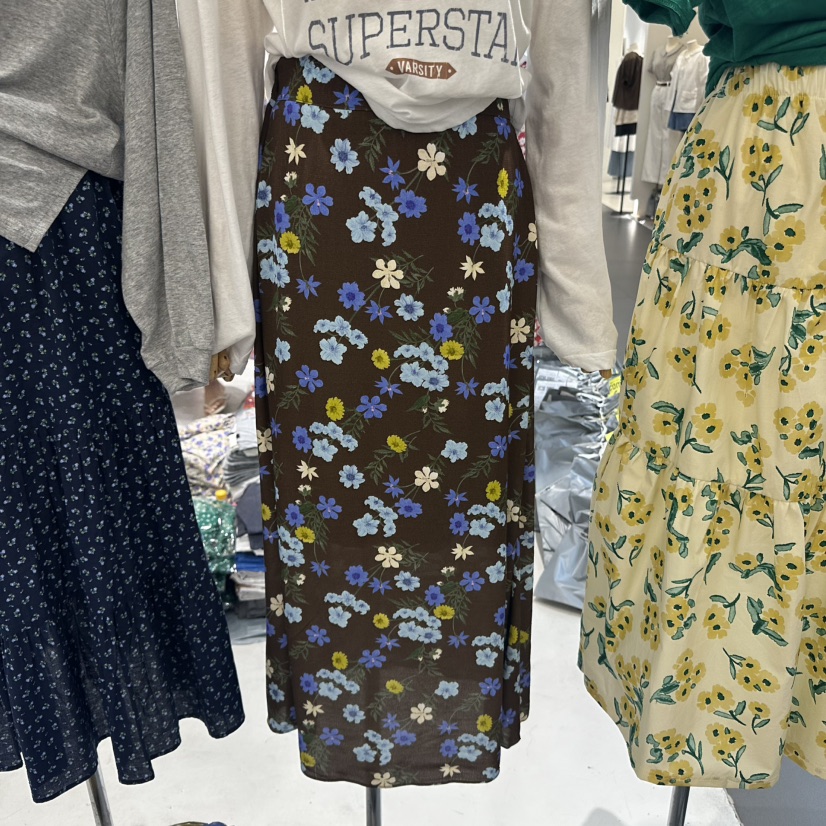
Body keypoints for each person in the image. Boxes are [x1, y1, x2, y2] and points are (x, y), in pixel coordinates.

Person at [177, 0, 616, 786]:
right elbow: (225, 49)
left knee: (467, 504)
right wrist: (224, 301)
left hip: (471, 197)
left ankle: (449, 723)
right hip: (323, 183)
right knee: (330, 501)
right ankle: (346, 721)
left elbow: (561, 72)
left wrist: (580, 302)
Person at [581, 0, 826, 789]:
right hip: (765, 143)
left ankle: (711, 717)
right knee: (744, 442)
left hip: (774, 140)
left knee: (723, 443)